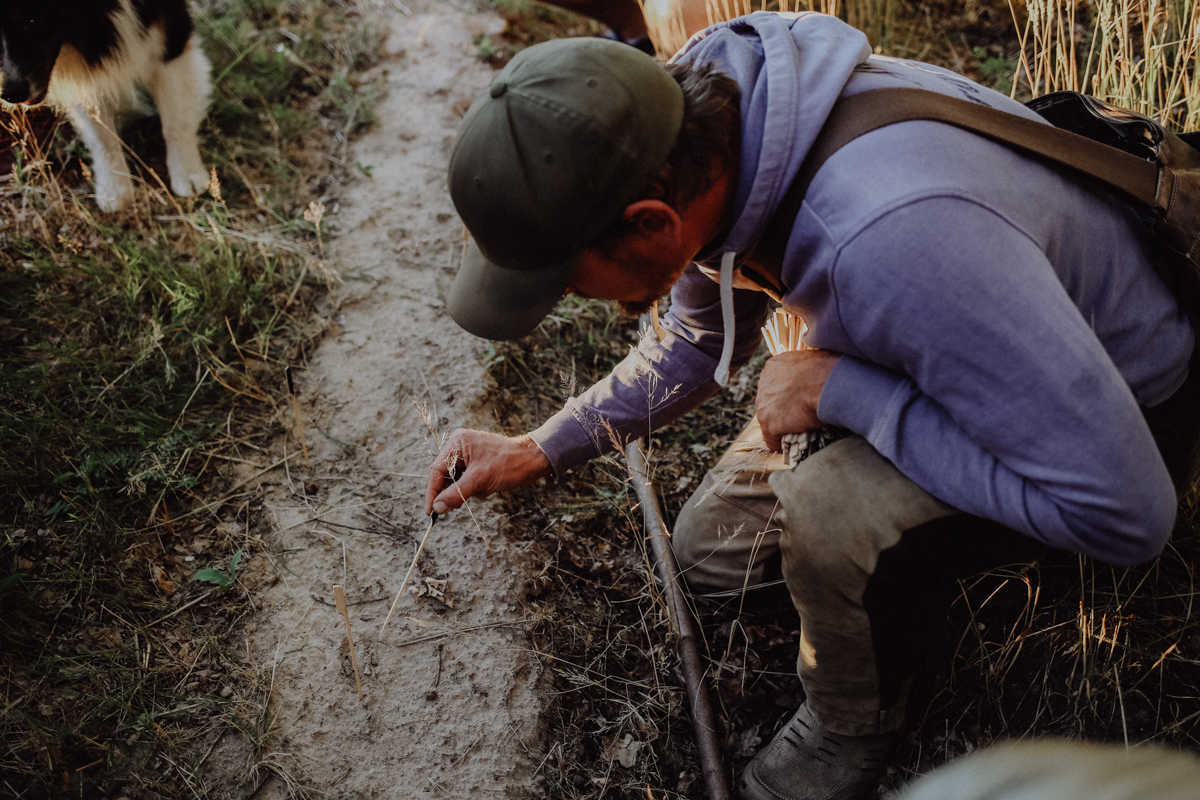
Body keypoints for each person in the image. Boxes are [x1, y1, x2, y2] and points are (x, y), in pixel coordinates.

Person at [424, 12, 1199, 800]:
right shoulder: (708, 134)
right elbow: (692, 341)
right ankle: (884, 572)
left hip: (1117, 418)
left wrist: (840, 390)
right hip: (970, 336)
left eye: (569, 282)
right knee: (709, 560)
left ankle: (851, 726)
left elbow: (1128, 514)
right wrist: (540, 445)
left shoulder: (889, 239)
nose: (585, 304)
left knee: (831, 507)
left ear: (649, 224)